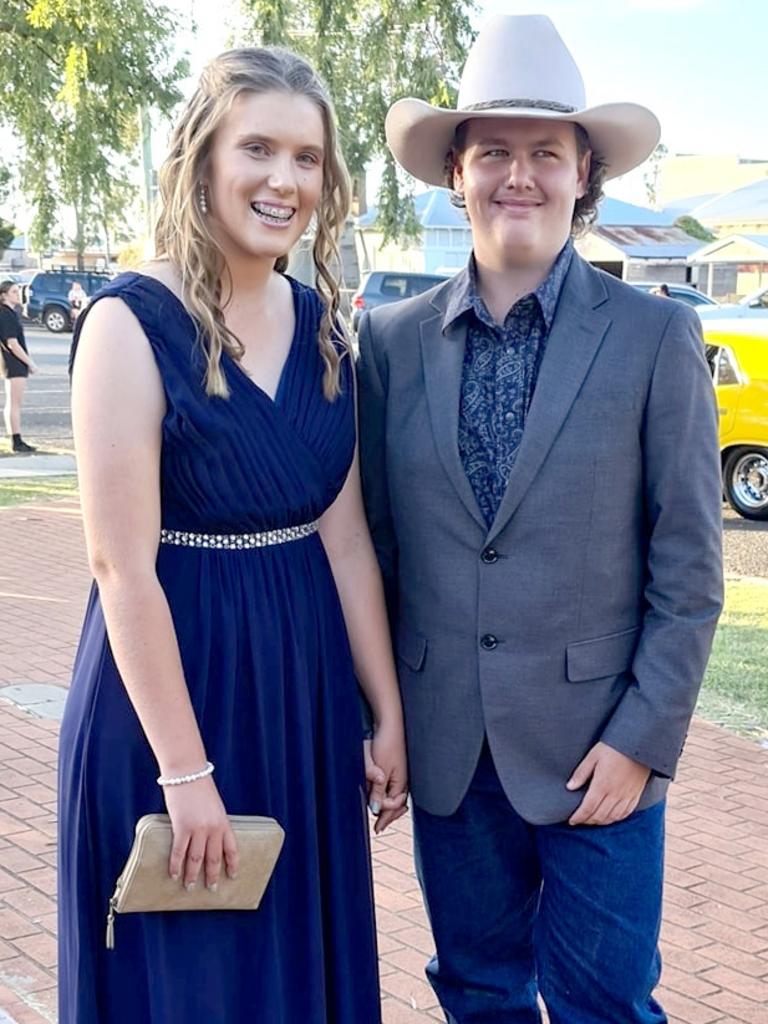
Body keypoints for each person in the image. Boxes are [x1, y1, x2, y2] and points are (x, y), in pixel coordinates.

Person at [358, 14, 722, 1024]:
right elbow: (377, 555)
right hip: (448, 752)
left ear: (583, 176)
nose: (520, 176)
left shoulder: (656, 337)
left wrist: (644, 740)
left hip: (599, 752)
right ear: (456, 175)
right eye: (495, 154)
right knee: (478, 994)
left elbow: (689, 568)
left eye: (546, 155)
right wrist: (378, 718)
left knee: (605, 1002)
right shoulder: (387, 344)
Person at [58, 47, 407, 1024]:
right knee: (191, 986)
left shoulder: (326, 328)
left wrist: (386, 713)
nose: (285, 179)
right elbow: (120, 569)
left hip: (303, 706)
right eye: (259, 147)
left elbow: (345, 543)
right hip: (172, 708)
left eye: (307, 157)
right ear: (203, 157)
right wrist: (186, 772)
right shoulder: (130, 325)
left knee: (296, 973)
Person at [0, 279, 38, 452]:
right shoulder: (6, 314)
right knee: (14, 402)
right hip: (14, 363)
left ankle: (16, 438)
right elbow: (12, 343)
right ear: (4, 295)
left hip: (13, 362)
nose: (17, 294)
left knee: (14, 402)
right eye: (13, 292)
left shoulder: (9, 313)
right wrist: (29, 363)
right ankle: (16, 440)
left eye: (17, 291)